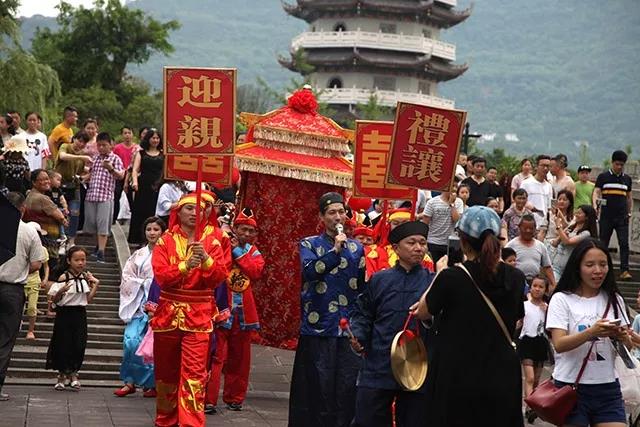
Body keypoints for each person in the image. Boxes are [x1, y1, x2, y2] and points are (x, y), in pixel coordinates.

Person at [411, 206, 526, 427]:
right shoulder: (516, 277)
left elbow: (423, 311)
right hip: (502, 373)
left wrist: (439, 273)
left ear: (462, 241)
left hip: (458, 374)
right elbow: (518, 318)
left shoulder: (451, 277)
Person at [151, 193, 228, 427]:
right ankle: (166, 418)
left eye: (201, 208)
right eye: (189, 208)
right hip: (168, 313)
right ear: (179, 212)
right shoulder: (165, 240)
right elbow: (162, 276)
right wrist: (185, 266)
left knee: (194, 373)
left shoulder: (215, 241)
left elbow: (220, 277)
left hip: (200, 313)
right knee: (165, 372)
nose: (195, 212)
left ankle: (191, 423)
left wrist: (205, 259)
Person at [289, 192, 365, 427]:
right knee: (318, 389)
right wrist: (334, 252)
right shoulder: (309, 244)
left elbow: (361, 289)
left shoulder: (357, 248)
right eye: (332, 212)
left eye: (341, 211)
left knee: (346, 389)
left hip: (348, 329)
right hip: (319, 327)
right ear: (322, 216)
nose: (338, 216)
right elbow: (311, 271)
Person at [350, 221, 436, 427]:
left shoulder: (433, 282)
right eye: (412, 243)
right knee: (368, 419)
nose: (418, 248)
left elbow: (441, 321)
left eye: (422, 243)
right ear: (396, 248)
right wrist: (359, 336)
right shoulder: (380, 280)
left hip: (417, 363)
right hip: (380, 360)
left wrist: (427, 317)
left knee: (415, 420)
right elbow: (363, 313)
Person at [546, 238, 629, 427]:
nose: (598, 271)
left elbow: (627, 346)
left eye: (603, 264)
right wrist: (592, 332)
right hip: (571, 387)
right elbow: (559, 344)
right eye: (590, 265)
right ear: (578, 267)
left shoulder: (614, 299)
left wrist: (623, 337)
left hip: (608, 387)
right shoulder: (561, 299)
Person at [206, 208, 265, 413]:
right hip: (223, 309)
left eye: (251, 231)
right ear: (235, 229)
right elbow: (220, 268)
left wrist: (238, 251)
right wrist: (231, 250)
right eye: (243, 230)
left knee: (240, 359)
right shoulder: (223, 245)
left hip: (244, 313)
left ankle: (235, 397)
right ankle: (209, 399)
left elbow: (256, 271)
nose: (247, 235)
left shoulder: (254, 251)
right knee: (216, 356)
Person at [0, 192, 46, 401]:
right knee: (5, 339)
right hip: (13, 290)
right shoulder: (27, 231)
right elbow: (37, 263)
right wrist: (19, 269)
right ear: (22, 209)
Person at [115, 216, 166, 398]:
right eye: (149, 229)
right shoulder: (138, 255)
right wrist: (143, 283)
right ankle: (129, 381)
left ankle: (152, 383)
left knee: (153, 347)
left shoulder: (168, 254)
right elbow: (127, 277)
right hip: (138, 304)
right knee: (131, 341)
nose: (152, 233)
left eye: (156, 229)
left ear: (163, 232)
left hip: (158, 305)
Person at [46, 246, 99, 390]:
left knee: (78, 344)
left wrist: (96, 285)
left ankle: (74, 374)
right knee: (63, 344)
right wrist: (61, 291)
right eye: (77, 260)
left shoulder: (86, 277)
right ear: (69, 261)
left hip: (79, 313)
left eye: (83, 260)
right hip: (64, 314)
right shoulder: (64, 277)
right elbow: (55, 301)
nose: (80, 263)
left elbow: (87, 299)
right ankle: (61, 376)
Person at [84, 132, 125, 263]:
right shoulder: (95, 158)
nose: (101, 148)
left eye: (104, 145)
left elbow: (121, 175)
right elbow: (91, 174)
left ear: (110, 145)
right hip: (91, 195)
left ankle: (101, 252)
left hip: (105, 196)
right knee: (92, 223)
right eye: (99, 145)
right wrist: (82, 178)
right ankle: (97, 247)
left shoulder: (115, 159)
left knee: (103, 224)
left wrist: (110, 169)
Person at [593, 150, 633, 280]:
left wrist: (629, 211)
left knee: (624, 243)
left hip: (622, 217)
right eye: (617, 164)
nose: (619, 167)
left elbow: (629, 197)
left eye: (622, 165)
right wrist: (595, 205)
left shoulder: (627, 179)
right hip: (606, 216)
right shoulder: (603, 177)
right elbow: (596, 192)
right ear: (612, 163)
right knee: (603, 243)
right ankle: (601, 268)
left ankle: (624, 270)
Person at [519, 274, 549, 424]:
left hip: (541, 343)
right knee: (529, 377)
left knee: (536, 380)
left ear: (545, 290)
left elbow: (550, 328)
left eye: (541, 287)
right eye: (535, 286)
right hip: (526, 341)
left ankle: (530, 404)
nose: (537, 289)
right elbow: (518, 322)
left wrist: (547, 312)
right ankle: (529, 407)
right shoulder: (524, 305)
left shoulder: (548, 308)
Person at [23, 169, 68, 265]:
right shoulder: (42, 198)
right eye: (42, 180)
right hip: (46, 242)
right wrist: (64, 218)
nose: (46, 182)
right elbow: (60, 217)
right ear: (34, 182)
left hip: (35, 240)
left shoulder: (29, 195)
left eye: (47, 179)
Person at [55, 131, 92, 248]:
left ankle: (71, 239)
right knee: (61, 212)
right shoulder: (65, 146)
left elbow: (81, 170)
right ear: (74, 139)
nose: (80, 144)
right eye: (79, 141)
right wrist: (81, 156)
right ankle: (61, 237)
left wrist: (92, 170)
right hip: (60, 186)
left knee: (75, 214)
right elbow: (63, 156)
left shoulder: (81, 156)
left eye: (84, 143)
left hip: (74, 186)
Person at [128, 129, 164, 245]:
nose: (155, 140)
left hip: (158, 185)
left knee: (154, 211)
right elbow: (135, 169)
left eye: (157, 138)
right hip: (143, 185)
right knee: (140, 211)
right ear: (148, 139)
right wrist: (135, 182)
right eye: (153, 138)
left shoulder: (163, 153)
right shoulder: (141, 153)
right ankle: (139, 238)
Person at [505, 214, 556, 290]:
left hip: (535, 285)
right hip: (516, 283)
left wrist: (553, 283)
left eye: (531, 228)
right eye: (525, 228)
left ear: (535, 229)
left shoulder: (540, 246)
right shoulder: (510, 245)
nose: (528, 231)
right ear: (519, 228)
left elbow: (547, 267)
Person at [551, 205, 598, 280]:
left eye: (579, 213)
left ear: (587, 217)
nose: (576, 214)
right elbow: (555, 242)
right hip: (556, 263)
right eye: (576, 212)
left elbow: (567, 242)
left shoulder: (586, 233)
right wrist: (562, 234)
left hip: (570, 268)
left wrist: (558, 226)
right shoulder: (572, 227)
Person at [22, 222, 50, 340]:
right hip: (21, 279)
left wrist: (45, 278)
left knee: (32, 307)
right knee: (18, 307)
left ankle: (30, 330)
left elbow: (45, 266)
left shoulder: (42, 249)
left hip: (34, 280)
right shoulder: (21, 244)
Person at [422, 190, 463, 264]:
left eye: (455, 186)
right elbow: (424, 225)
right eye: (452, 186)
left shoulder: (459, 202)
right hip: (433, 242)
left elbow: (456, 220)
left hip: (450, 244)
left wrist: (452, 204)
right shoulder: (432, 202)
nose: (453, 189)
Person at [538, 189, 574, 265]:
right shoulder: (549, 214)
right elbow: (542, 232)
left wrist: (560, 215)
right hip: (549, 244)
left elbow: (569, 228)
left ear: (570, 202)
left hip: (563, 248)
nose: (561, 201)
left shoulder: (572, 218)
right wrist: (539, 247)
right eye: (559, 199)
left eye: (565, 199)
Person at [112, 126, 138, 224]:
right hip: (120, 175)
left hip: (131, 175)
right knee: (116, 196)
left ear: (132, 134)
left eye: (129, 133)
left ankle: (134, 219)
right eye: (125, 133)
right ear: (122, 135)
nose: (127, 135)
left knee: (132, 198)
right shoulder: (117, 148)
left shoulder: (136, 148)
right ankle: (113, 219)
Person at [520, 155, 553, 229]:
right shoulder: (526, 183)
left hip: (544, 225)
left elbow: (550, 207)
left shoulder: (549, 186)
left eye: (548, 166)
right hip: (529, 224)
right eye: (543, 165)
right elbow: (519, 202)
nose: (545, 168)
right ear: (536, 166)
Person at [46, 170, 69, 241]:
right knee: (60, 216)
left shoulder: (58, 190)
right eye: (58, 180)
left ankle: (63, 233)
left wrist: (65, 208)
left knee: (63, 214)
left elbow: (62, 200)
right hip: (51, 208)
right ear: (50, 179)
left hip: (59, 208)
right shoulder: (47, 190)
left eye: (60, 180)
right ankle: (62, 234)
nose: (60, 182)